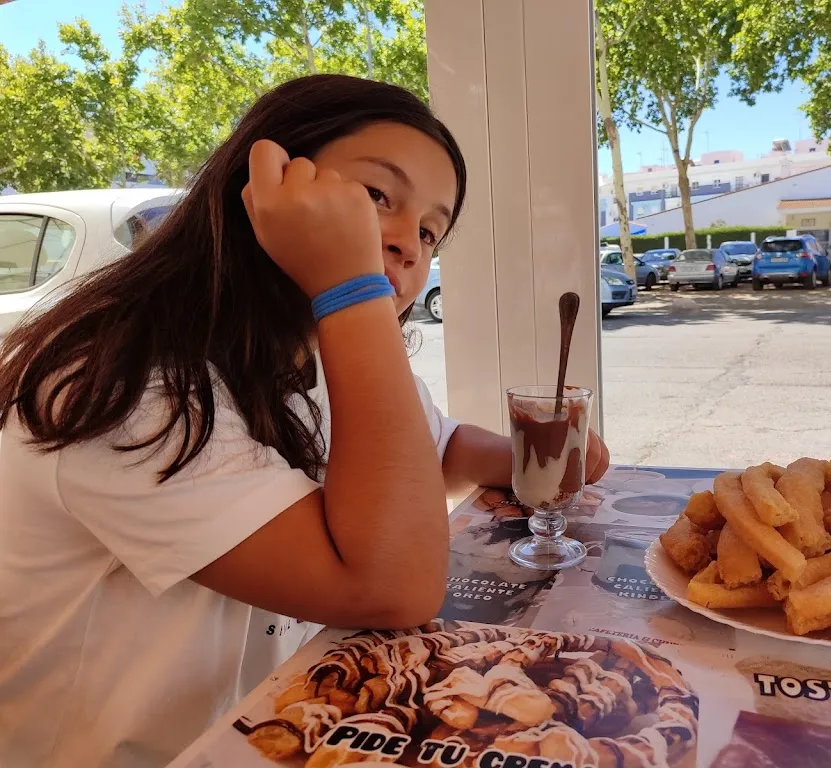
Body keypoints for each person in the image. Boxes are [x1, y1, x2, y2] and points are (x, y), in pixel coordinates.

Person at [0, 75, 610, 768]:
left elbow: (437, 452)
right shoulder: (118, 386)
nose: (411, 244)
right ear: (261, 188)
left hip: (280, 722)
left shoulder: (323, 354)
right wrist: (351, 288)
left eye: (432, 230)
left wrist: (543, 452)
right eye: (378, 197)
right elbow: (392, 585)